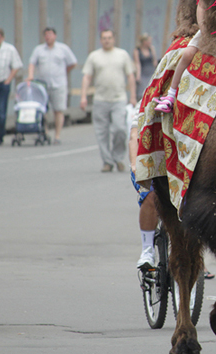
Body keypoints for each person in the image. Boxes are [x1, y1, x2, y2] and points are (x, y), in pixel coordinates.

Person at [80, 30, 136, 172]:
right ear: (100, 40)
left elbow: (130, 76)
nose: (107, 40)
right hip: (100, 99)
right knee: (102, 132)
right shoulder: (94, 56)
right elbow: (87, 77)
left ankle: (118, 157)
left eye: (109, 38)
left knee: (120, 129)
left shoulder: (122, 54)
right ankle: (107, 161)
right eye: (104, 38)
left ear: (114, 39)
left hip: (118, 98)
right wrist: (83, 97)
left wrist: (133, 96)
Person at [26, 27, 78, 144]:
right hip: (43, 84)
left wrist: (64, 71)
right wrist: (30, 75)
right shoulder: (39, 50)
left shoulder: (63, 49)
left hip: (58, 84)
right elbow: (32, 63)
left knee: (58, 110)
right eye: (46, 35)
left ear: (55, 36)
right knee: (42, 110)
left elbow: (73, 63)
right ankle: (45, 132)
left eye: (50, 34)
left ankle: (57, 135)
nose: (48, 37)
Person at [128, 102, 159, 268]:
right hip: (148, 162)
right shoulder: (146, 101)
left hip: (175, 164)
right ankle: (147, 249)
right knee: (152, 196)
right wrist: (135, 164)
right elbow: (134, 138)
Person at [133, 33, 157, 102]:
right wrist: (138, 76)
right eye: (148, 41)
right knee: (142, 92)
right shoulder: (137, 51)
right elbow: (137, 63)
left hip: (151, 71)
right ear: (144, 42)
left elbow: (154, 61)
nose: (150, 43)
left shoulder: (151, 49)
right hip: (143, 72)